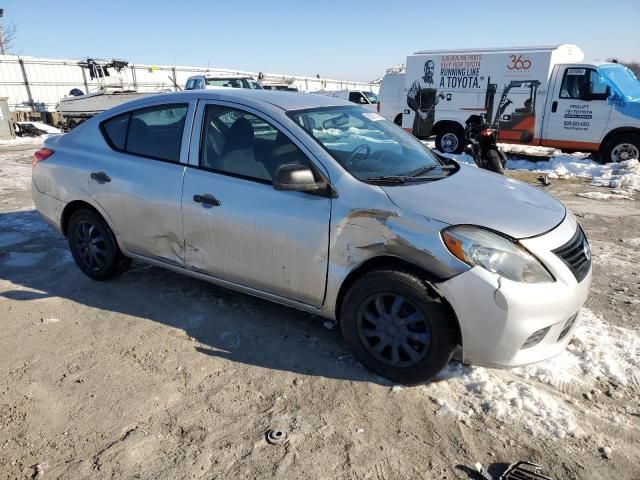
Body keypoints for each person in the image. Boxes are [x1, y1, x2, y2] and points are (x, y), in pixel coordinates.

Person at [407, 60, 445, 138]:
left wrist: (436, 99)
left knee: (426, 140)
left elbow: (432, 101)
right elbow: (410, 99)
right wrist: (419, 112)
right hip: (420, 118)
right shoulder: (418, 82)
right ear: (425, 69)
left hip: (431, 118)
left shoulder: (435, 83)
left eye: (431, 68)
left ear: (433, 70)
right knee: (417, 140)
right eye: (428, 68)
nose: (430, 70)